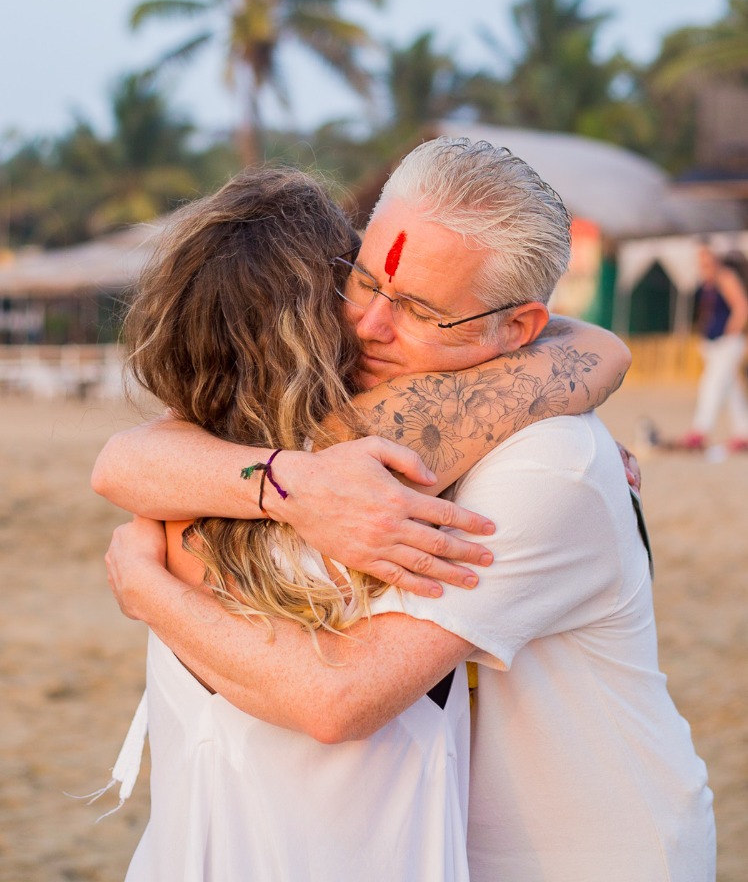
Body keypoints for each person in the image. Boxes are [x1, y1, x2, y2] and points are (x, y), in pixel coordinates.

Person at [99, 138, 715, 881]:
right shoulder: (381, 410)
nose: (370, 327)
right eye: (361, 283)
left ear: (518, 331)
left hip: (590, 855)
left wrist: (148, 590)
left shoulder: (547, 462)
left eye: (420, 309)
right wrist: (286, 479)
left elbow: (339, 698)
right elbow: (128, 459)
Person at [678, 244, 748, 452]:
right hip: (713, 344)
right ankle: (743, 432)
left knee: (711, 384)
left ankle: (700, 430)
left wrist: (730, 332)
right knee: (730, 390)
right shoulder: (707, 283)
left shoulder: (725, 277)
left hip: (727, 343)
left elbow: (742, 307)